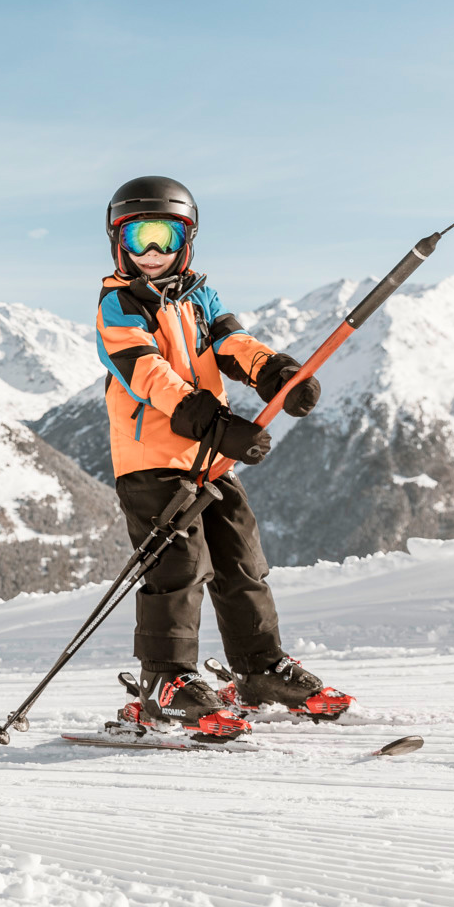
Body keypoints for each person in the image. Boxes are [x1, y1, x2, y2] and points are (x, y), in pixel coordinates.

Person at [95, 176, 348, 725]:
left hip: (210, 458)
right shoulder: (118, 305)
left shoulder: (200, 296)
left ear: (187, 239)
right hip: (151, 460)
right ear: (119, 242)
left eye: (164, 236)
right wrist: (215, 423)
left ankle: (260, 668)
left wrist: (277, 372)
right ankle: (165, 678)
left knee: (241, 561)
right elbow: (148, 375)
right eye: (140, 238)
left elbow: (234, 345)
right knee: (179, 565)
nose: (153, 252)